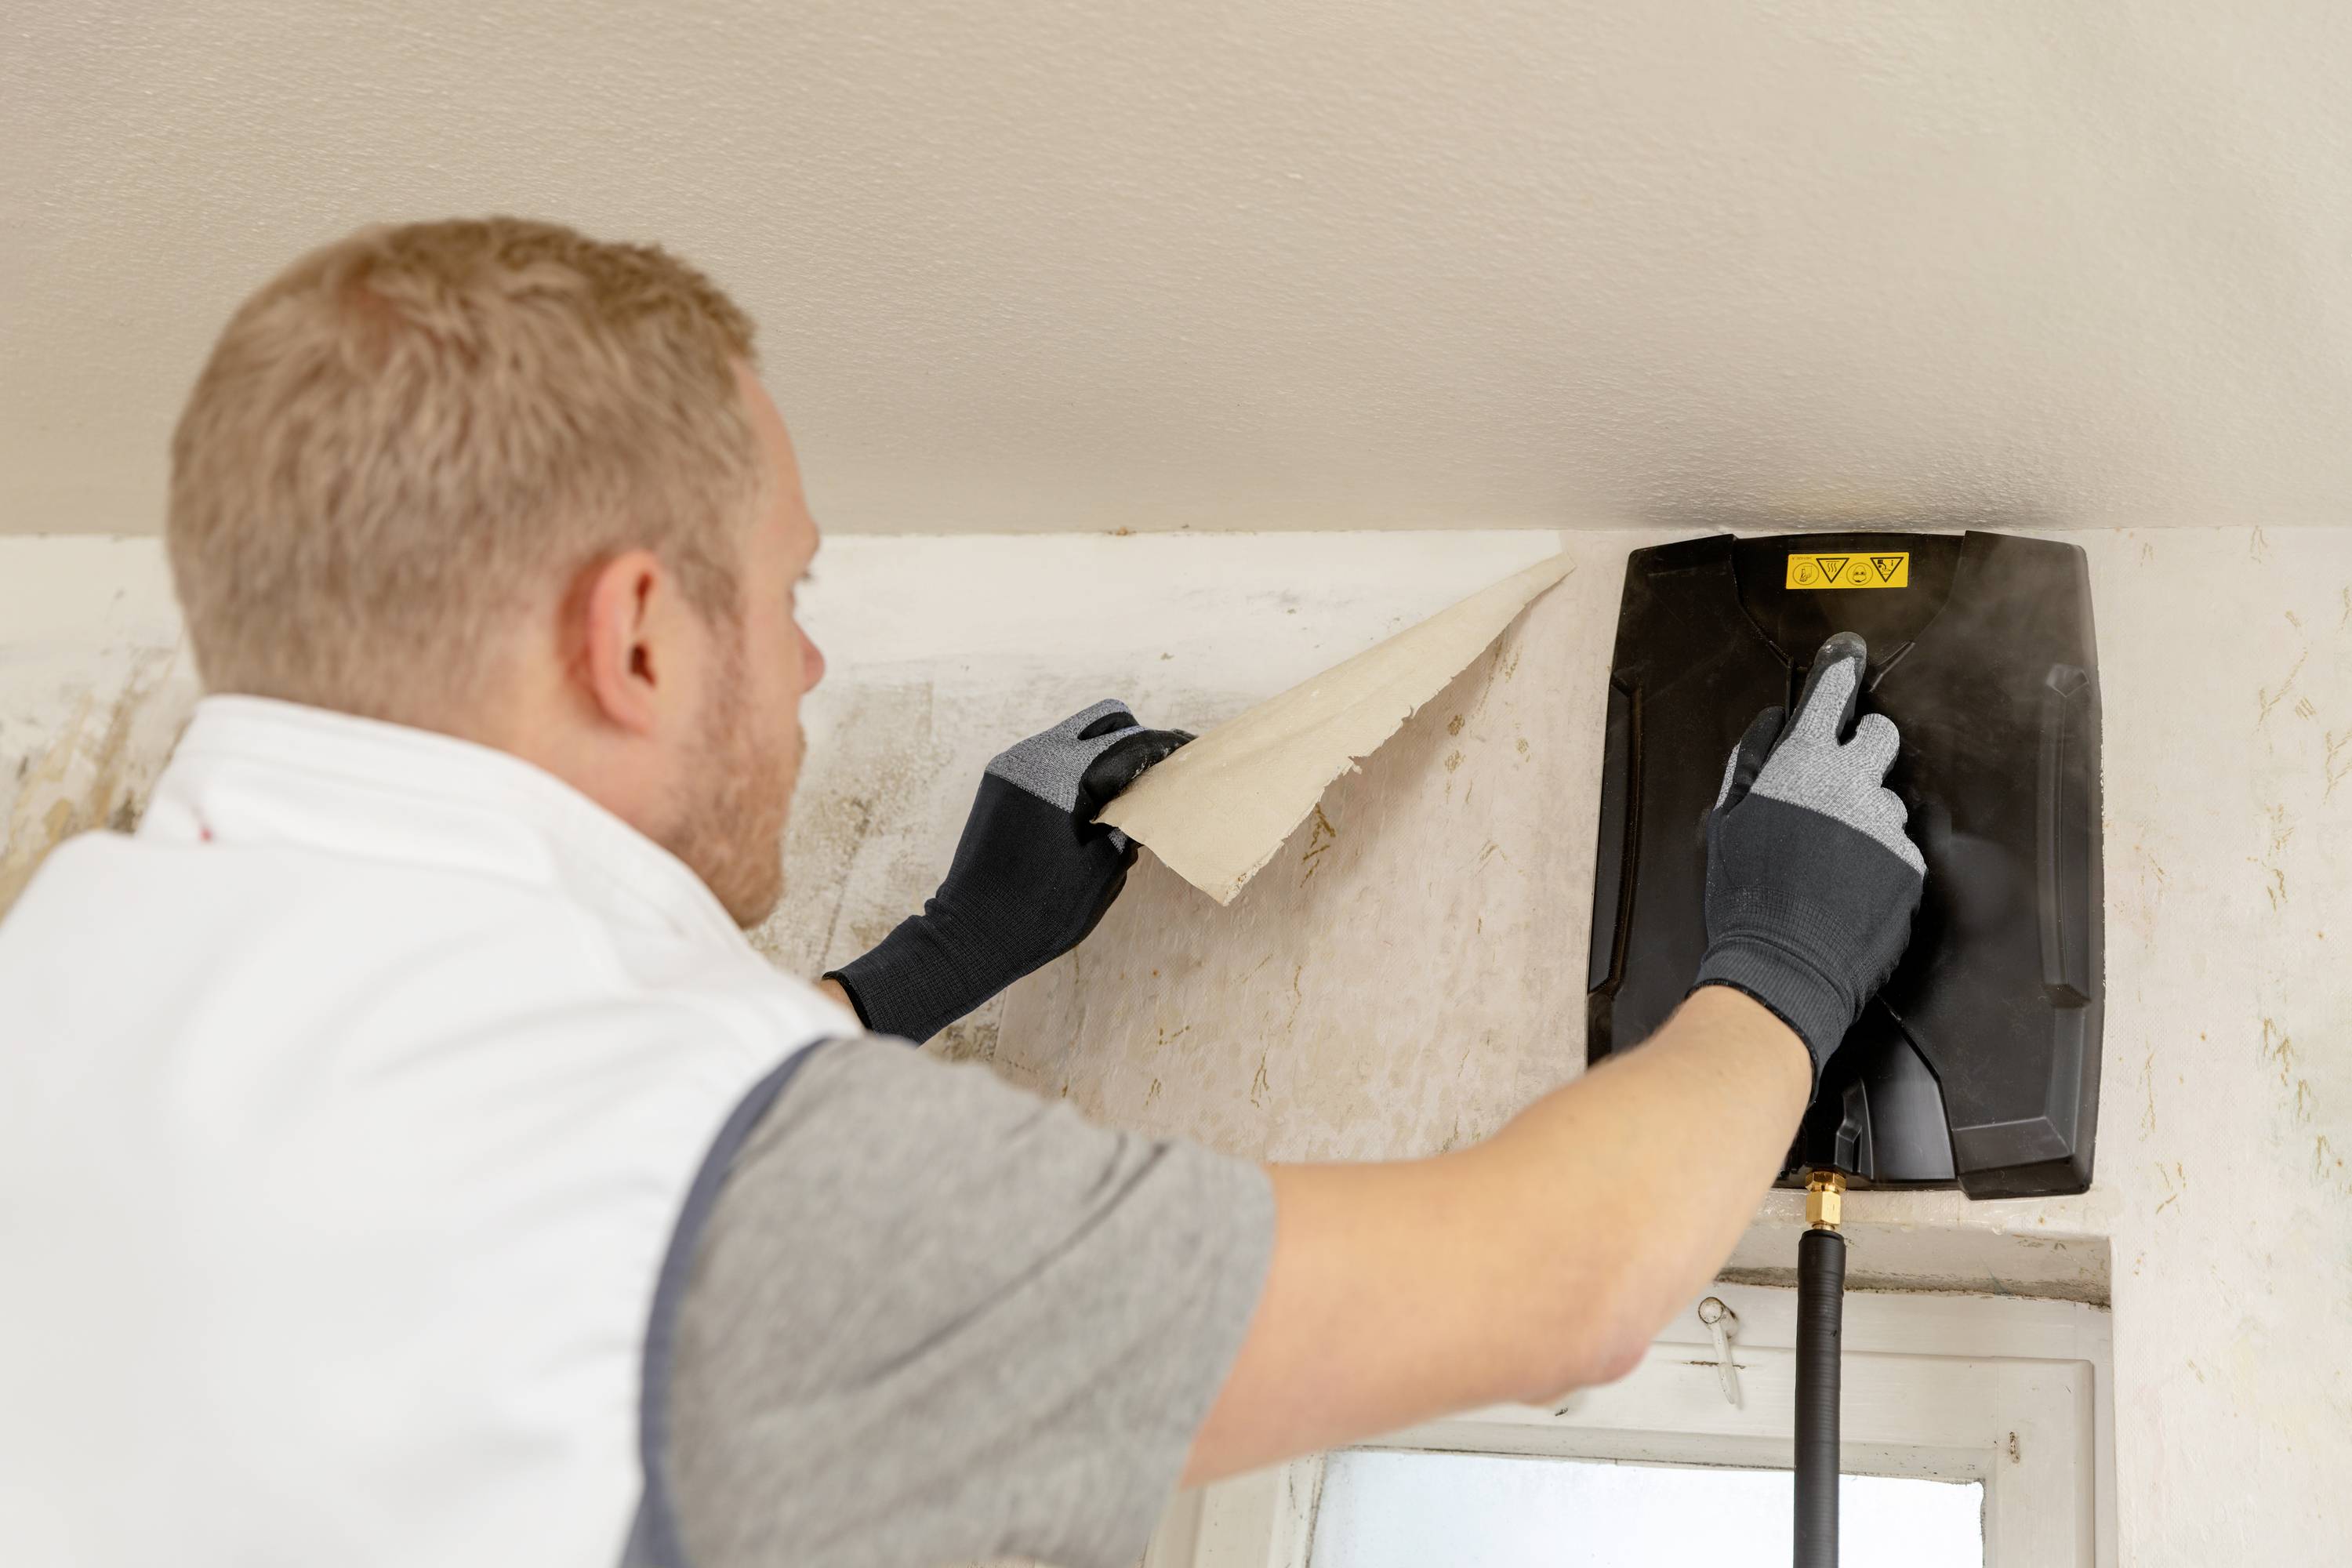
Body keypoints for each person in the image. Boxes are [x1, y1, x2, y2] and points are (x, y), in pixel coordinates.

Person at [0, 219, 1925, 1568]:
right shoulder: (719, 1193)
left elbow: (521, 1156)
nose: (813, 669)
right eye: (793, 596)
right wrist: (1777, 964)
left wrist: (926, 967)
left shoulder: (67, 979)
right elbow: (1560, 1289)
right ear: (643, 637)